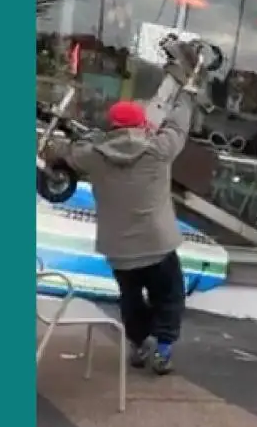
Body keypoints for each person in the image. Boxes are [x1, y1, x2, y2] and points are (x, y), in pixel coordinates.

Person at [65, 91, 195, 375]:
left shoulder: (94, 156)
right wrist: (184, 97)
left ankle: (139, 345)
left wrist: (95, 136)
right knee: (170, 296)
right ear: (142, 124)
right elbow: (178, 126)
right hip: (157, 244)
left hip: (119, 249)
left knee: (131, 298)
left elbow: (73, 150)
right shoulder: (159, 149)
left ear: (112, 126)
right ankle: (163, 350)